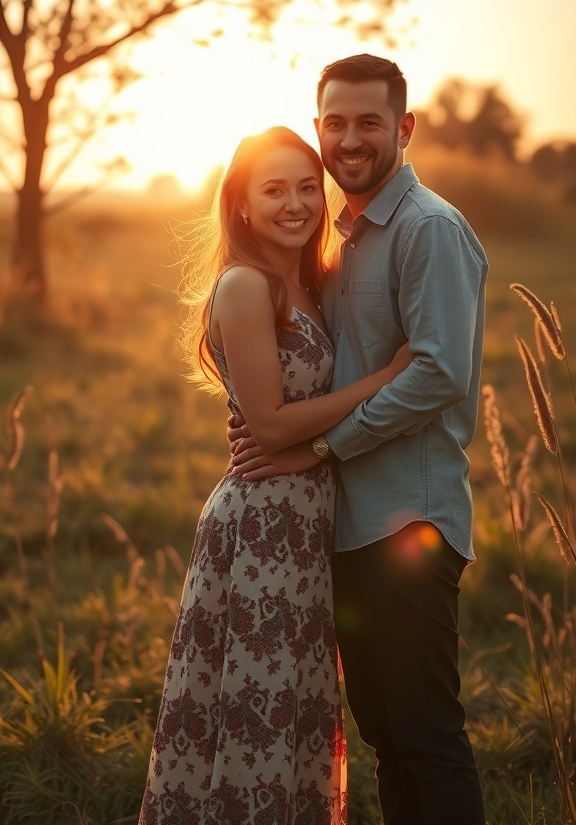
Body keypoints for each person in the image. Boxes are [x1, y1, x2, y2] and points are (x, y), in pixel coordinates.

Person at [230, 55, 488, 825]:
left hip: (407, 522)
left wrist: (320, 449)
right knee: (387, 737)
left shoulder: (428, 229)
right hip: (345, 530)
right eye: (335, 123)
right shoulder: (343, 240)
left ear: (403, 128)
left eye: (369, 122)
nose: (350, 139)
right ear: (319, 130)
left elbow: (438, 374)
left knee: (426, 737)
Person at [138, 126, 411, 825]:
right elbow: (269, 426)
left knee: (294, 708)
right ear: (241, 207)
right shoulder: (243, 285)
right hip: (258, 526)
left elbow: (299, 416)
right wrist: (384, 380)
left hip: (306, 523)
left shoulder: (312, 283)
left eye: (304, 186)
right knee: (252, 711)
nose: (295, 203)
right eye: (273, 189)